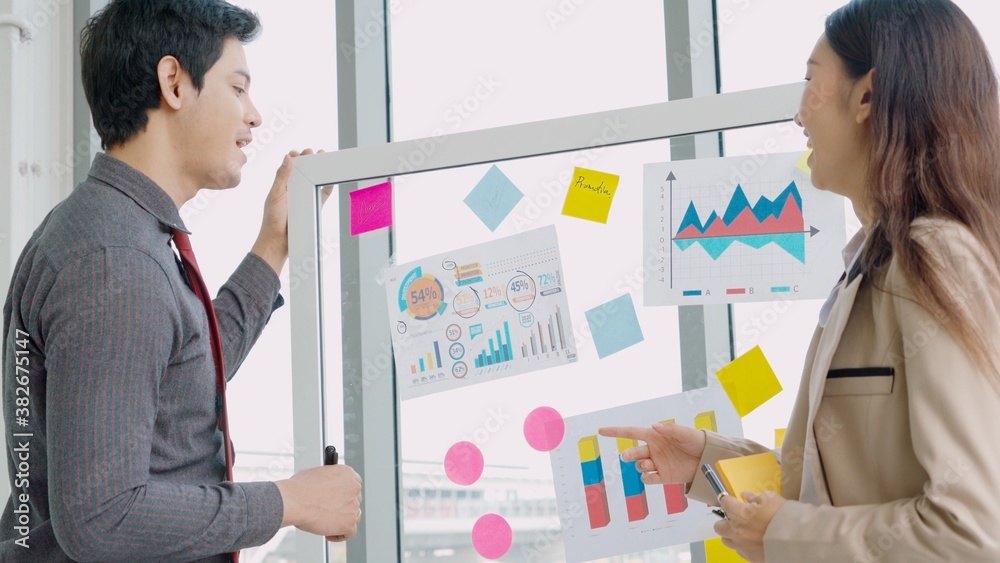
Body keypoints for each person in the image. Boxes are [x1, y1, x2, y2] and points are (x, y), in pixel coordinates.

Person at [601, 0, 1000, 561]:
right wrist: (707, 462)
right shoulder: (872, 264)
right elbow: (833, 489)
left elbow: (972, 532)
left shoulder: (937, 256)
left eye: (812, 82)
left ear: (866, 96)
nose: (799, 115)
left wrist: (783, 535)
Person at [0, 1, 361, 560]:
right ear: (173, 82)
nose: (255, 115)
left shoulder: (110, 233)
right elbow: (101, 518)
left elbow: (183, 377)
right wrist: (290, 502)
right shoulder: (114, 259)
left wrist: (272, 246)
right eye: (238, 88)